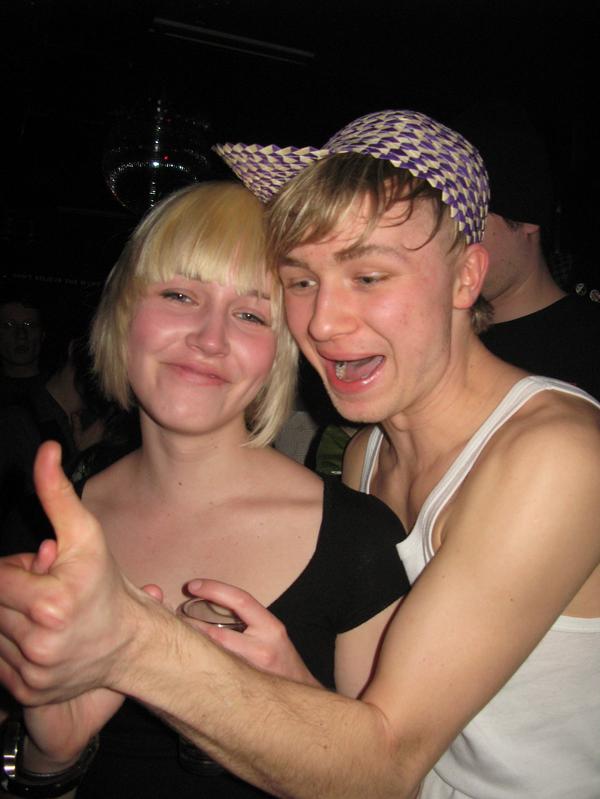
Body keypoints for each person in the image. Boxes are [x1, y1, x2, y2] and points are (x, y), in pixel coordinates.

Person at [1, 110, 599, 799]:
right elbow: (374, 737)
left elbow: (386, 764)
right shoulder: (368, 454)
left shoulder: (557, 455)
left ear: (466, 278)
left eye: (369, 276)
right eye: (302, 281)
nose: (322, 322)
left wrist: (132, 640)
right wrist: (293, 686)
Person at [0, 180, 407, 798]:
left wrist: (294, 706)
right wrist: (51, 760)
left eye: (250, 314)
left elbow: (389, 788)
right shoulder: (47, 527)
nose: (210, 339)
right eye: (180, 295)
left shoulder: (360, 539)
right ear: (122, 314)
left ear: (279, 354)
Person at [451, 101, 600, 398]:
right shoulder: (433, 342)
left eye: (467, 221)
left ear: (527, 220)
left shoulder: (590, 349)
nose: (449, 241)